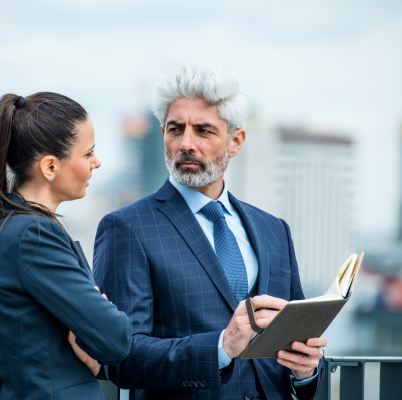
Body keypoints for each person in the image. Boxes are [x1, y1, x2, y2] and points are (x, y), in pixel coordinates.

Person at [89, 65, 327, 399]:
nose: (186, 143)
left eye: (203, 131)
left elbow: (298, 340)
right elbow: (119, 356)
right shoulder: (127, 228)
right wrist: (220, 347)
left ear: (236, 142)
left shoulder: (274, 231)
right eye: (175, 129)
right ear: (162, 135)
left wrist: (307, 370)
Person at [0, 92, 132, 399]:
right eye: (88, 154)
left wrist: (86, 324)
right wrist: (92, 323)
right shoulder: (32, 235)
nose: (96, 163)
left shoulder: (9, 228)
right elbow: (115, 337)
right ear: (50, 167)